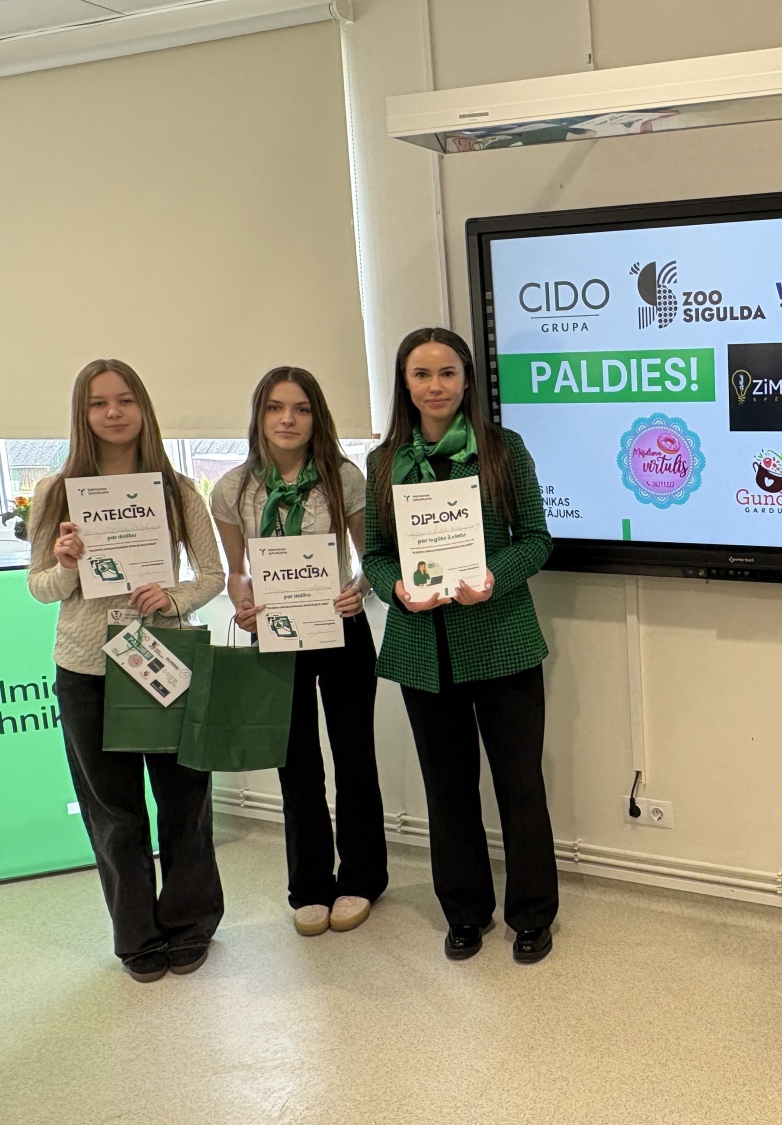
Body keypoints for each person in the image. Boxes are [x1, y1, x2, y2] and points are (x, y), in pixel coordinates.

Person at [27, 359, 226, 982]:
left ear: (143, 407)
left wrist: (173, 598)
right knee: (113, 814)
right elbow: (40, 587)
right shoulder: (57, 492)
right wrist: (66, 564)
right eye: (98, 403)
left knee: (184, 801)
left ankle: (190, 923)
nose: (113, 413)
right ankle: (137, 934)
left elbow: (212, 576)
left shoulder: (176, 489)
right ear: (82, 414)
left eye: (124, 400)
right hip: (86, 669)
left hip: (163, 659)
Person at [363, 327, 557, 963]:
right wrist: (398, 591)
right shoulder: (384, 463)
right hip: (426, 650)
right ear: (405, 384)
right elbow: (376, 556)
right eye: (421, 374)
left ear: (467, 380)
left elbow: (537, 539)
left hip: (501, 642)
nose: (435, 386)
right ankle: (465, 912)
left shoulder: (502, 449)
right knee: (447, 793)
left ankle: (532, 914)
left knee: (520, 788)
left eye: (447, 373)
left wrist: (494, 578)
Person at [211, 366, 387, 937]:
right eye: (275, 408)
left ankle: (362, 877)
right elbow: (237, 571)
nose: (288, 419)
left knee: (354, 757)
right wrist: (242, 601)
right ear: (259, 416)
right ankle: (309, 884)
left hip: (340, 629)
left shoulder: (343, 478)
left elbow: (371, 559)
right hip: (275, 634)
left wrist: (359, 591)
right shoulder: (232, 489)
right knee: (297, 764)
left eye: (301, 409)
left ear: (317, 418)